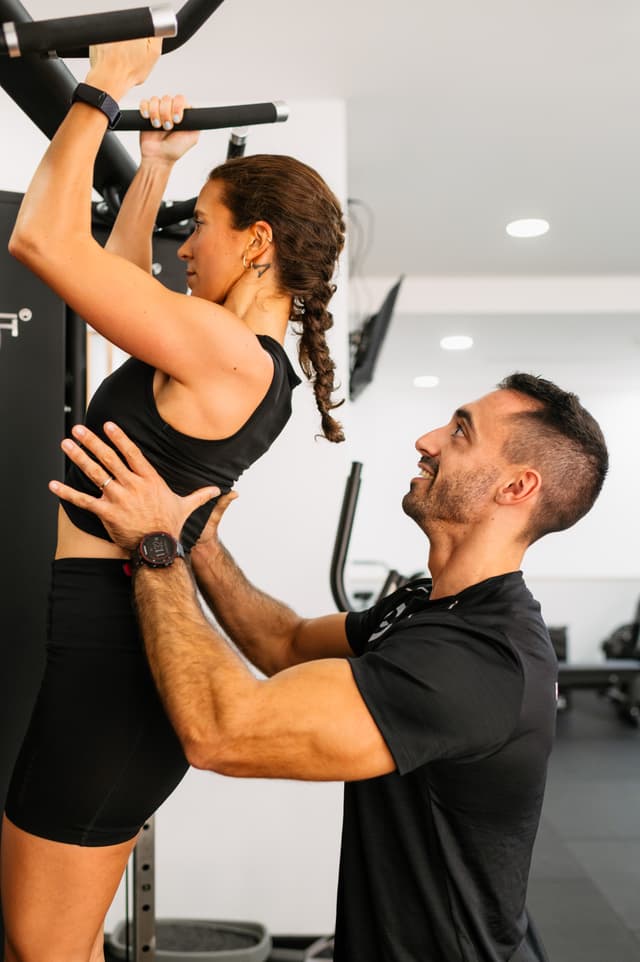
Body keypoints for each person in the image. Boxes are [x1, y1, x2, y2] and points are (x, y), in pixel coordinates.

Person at [48, 373, 609, 962]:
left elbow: (222, 731)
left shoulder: (479, 661)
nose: (427, 439)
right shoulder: (429, 607)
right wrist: (200, 545)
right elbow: (283, 642)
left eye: (461, 432)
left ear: (517, 487)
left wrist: (155, 547)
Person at [2, 38, 345, 962]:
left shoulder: (228, 356)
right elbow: (113, 289)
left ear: (258, 243)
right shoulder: (226, 358)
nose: (183, 245)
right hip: (104, 659)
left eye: (202, 226)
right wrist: (151, 170)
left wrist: (102, 90)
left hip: (114, 675)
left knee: (45, 953)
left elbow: (41, 239)